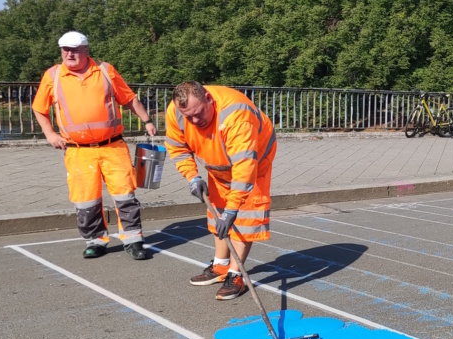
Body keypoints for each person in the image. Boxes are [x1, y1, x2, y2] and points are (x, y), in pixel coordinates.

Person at [32, 31, 157, 260]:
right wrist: (50, 134)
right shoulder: (53, 75)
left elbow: (129, 98)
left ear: (86, 50)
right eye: (65, 50)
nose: (69, 54)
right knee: (86, 199)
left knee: (125, 195)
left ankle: (133, 239)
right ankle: (95, 240)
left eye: (75, 50)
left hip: (113, 146)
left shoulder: (105, 71)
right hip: (78, 150)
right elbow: (39, 108)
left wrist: (147, 121)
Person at [165, 81, 276, 301]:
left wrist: (233, 209)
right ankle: (220, 266)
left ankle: (236, 274)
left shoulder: (236, 116)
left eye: (198, 114)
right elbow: (177, 147)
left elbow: (244, 168)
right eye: (189, 118)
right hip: (217, 167)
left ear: (208, 98)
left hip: (253, 165)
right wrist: (192, 177)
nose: (195, 121)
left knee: (244, 218)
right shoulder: (176, 111)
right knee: (217, 214)